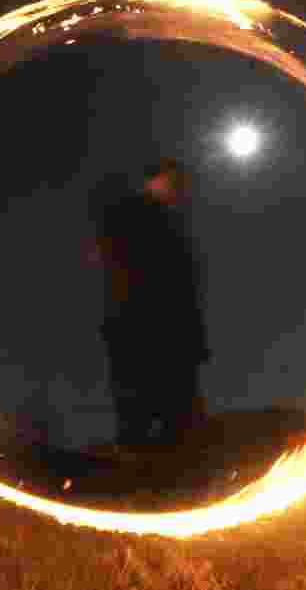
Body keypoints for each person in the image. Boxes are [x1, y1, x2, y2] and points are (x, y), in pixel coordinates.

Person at [86, 158, 211, 454]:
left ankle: (167, 470)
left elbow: (182, 289)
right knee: (143, 417)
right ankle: (146, 474)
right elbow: (131, 274)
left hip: (165, 337)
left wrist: (193, 341)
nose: (179, 190)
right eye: (172, 181)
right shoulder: (135, 217)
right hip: (142, 334)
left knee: (175, 420)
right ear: (154, 181)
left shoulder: (163, 224)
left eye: (180, 184)